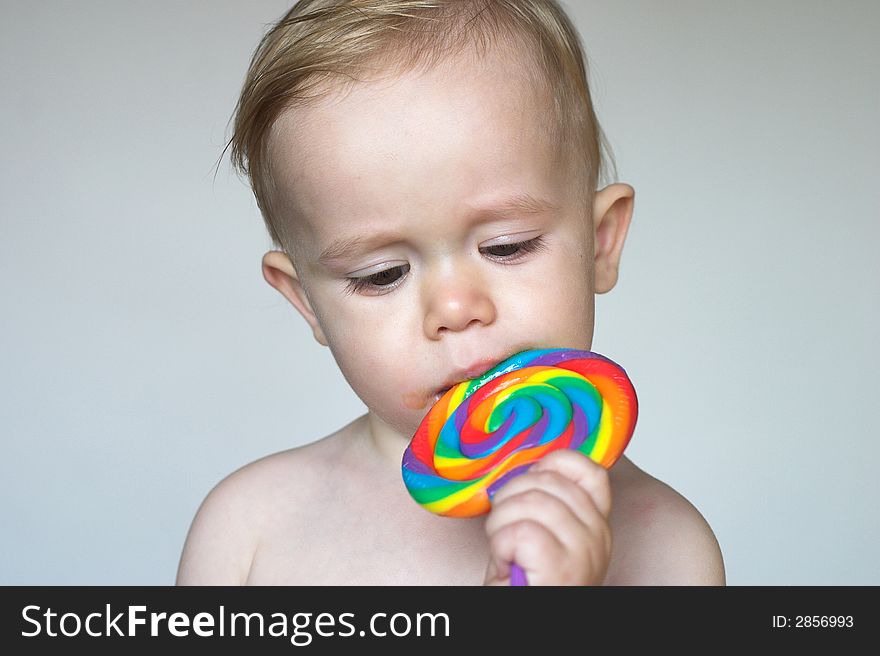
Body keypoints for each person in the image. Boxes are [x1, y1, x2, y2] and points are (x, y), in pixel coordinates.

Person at [177, 0, 725, 586]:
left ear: (600, 242)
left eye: (508, 246)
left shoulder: (666, 549)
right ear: (307, 302)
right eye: (382, 274)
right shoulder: (251, 530)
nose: (456, 309)